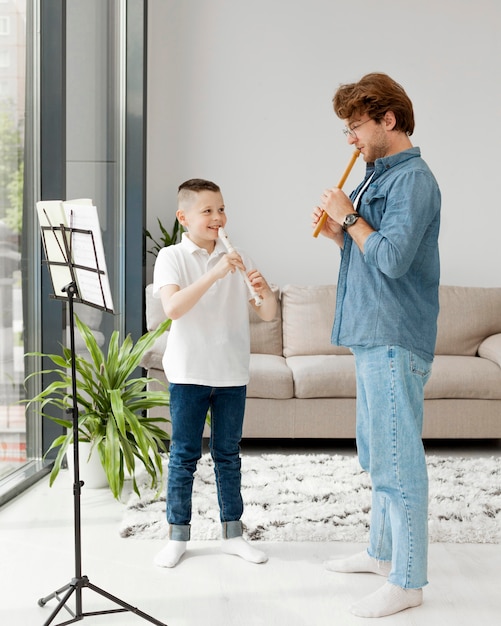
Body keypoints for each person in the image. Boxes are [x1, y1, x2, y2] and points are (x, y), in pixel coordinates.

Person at [312, 73, 441, 618]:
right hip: (372, 332)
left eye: (356, 127)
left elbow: (391, 259)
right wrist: (342, 232)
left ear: (388, 120)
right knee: (377, 452)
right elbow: (372, 250)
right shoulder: (376, 175)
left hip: (394, 336)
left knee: (396, 459)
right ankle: (380, 552)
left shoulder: (413, 180)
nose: (351, 140)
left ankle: (408, 582)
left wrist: (347, 215)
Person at [153, 178, 277, 568]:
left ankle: (232, 535)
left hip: (231, 371)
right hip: (189, 371)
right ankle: (177, 536)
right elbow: (173, 309)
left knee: (228, 455)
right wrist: (215, 273)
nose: (217, 217)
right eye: (207, 210)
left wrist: (263, 288)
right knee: (184, 456)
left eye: (221, 209)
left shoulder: (239, 255)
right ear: (183, 216)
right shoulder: (171, 257)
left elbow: (268, 313)